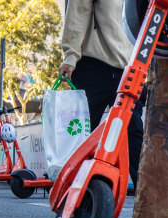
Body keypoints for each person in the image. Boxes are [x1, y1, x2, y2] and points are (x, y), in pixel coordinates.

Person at [57, 0, 144, 190]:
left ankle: (146, 198)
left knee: (135, 132)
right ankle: (74, 195)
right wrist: (70, 56)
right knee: (82, 136)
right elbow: (77, 13)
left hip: (130, 70)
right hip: (94, 65)